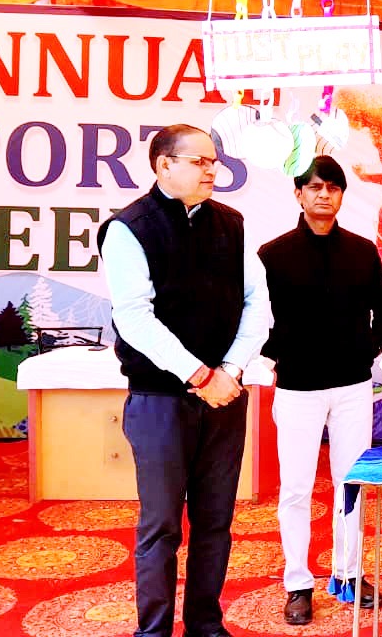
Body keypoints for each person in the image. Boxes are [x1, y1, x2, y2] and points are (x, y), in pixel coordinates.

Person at [96, 124, 269, 637]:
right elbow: (134, 317)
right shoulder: (129, 228)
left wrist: (229, 371)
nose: (212, 170)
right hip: (160, 400)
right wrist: (200, 375)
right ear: (164, 164)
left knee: (216, 522)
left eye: (214, 162)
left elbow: (257, 305)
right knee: (161, 527)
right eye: (199, 162)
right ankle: (153, 631)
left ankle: (206, 625)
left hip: (224, 398)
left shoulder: (232, 225)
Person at [259, 156, 382, 624]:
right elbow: (253, 316)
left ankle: (349, 573)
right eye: (315, 187)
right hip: (297, 388)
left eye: (333, 188)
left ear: (341, 195)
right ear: (299, 194)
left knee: (351, 484)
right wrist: (277, 353)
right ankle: (298, 583)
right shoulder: (272, 255)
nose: (324, 195)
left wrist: (368, 349)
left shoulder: (361, 251)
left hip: (353, 387)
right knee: (296, 489)